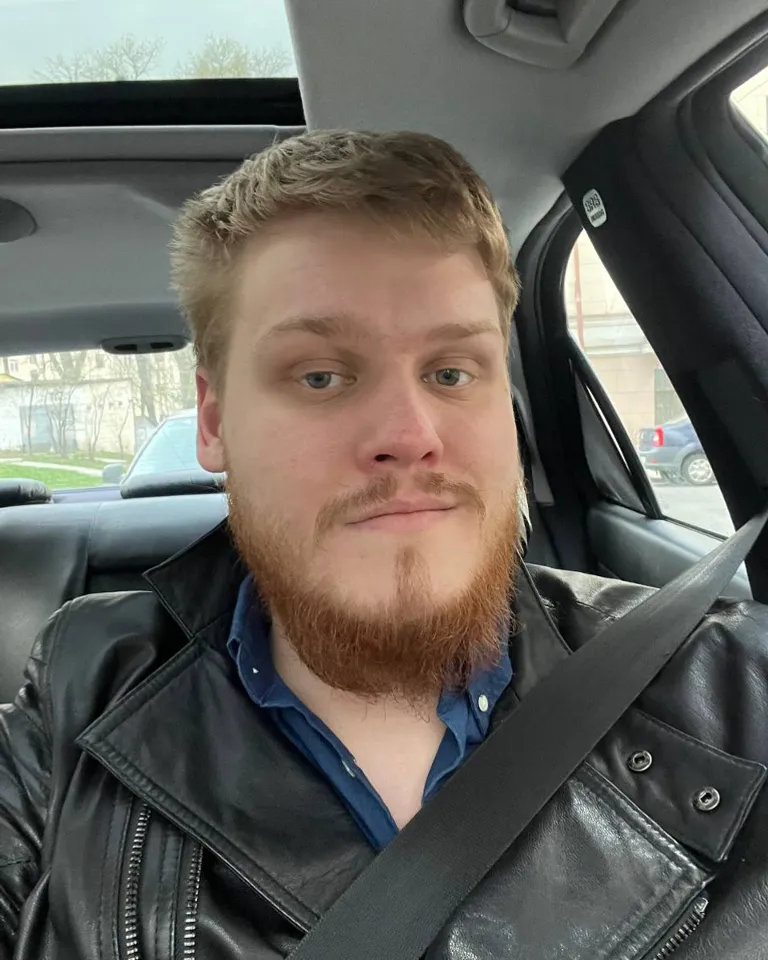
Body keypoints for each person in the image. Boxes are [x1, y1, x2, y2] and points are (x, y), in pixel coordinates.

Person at [2, 130, 768, 960]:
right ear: (215, 422)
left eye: (451, 372)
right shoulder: (80, 689)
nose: (409, 435)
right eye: (321, 375)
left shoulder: (734, 685)